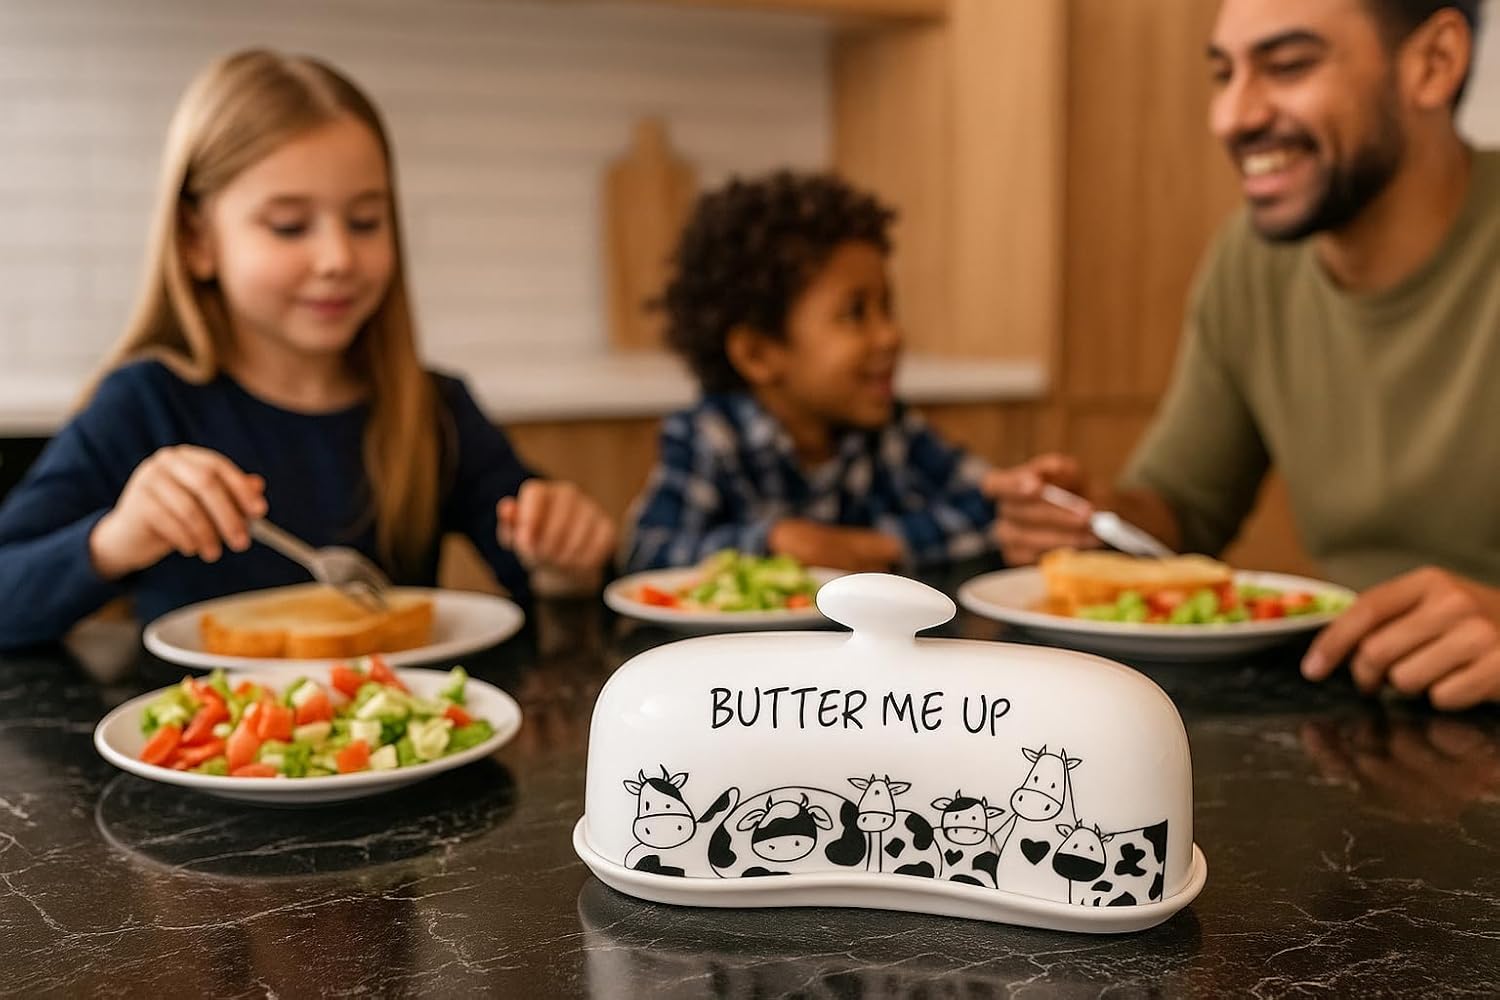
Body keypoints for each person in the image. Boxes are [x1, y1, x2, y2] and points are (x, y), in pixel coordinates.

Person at [0, 49, 616, 650]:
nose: (338, 259)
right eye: (290, 226)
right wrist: (114, 539)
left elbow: (553, 594)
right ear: (197, 240)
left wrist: (565, 565)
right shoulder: (143, 404)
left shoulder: (434, 408)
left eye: (366, 221)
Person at [987, 0, 1500, 709]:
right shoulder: (1250, 263)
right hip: (1353, 713)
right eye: (1224, 74)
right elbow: (1183, 508)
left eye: (1288, 66)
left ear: (1435, 62)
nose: (1231, 117)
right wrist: (1096, 520)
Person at [623, 171, 998, 573]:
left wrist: (873, 546)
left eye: (886, 309)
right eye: (855, 314)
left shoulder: (893, 432)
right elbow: (647, 552)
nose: (891, 336)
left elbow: (993, 509)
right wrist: (773, 542)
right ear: (758, 354)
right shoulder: (711, 436)